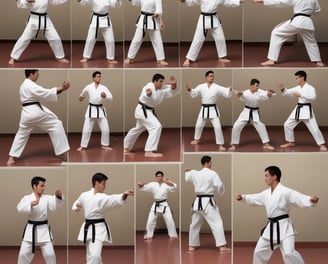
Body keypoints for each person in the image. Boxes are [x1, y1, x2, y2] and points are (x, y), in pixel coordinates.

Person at [236, 165, 319, 264]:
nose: (265, 178)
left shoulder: (286, 191)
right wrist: (244, 197)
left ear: (274, 177)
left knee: (289, 253)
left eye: (267, 176)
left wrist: (311, 200)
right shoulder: (266, 193)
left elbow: (299, 198)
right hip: (270, 228)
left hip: (284, 227)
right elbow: (255, 198)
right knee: (258, 252)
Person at [7, 69, 70, 166]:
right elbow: (45, 93)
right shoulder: (30, 84)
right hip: (35, 111)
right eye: (37, 73)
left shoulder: (23, 85)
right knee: (56, 124)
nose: (38, 75)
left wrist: (60, 89)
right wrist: (61, 88)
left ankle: (11, 158)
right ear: (31, 74)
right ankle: (63, 153)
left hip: (26, 114)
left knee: (21, 133)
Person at [72, 172, 134, 264]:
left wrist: (124, 195)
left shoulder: (103, 197)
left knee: (94, 255)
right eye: (103, 184)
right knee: (90, 254)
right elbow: (77, 202)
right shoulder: (84, 195)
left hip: (98, 228)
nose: (105, 186)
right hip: (87, 227)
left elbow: (113, 199)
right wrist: (76, 207)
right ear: (96, 183)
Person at [254, 0, 324, 67]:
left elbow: (281, 2)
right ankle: (318, 61)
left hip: (297, 21)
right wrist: (308, 10)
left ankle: (272, 60)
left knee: (276, 33)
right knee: (311, 42)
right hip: (308, 23)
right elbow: (317, 11)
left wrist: (264, 1)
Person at [124, 73, 180, 157]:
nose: (162, 83)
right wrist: (148, 94)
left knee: (138, 129)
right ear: (155, 81)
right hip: (143, 110)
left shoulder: (160, 90)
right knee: (156, 126)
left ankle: (126, 147)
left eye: (162, 81)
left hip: (147, 112)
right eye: (160, 81)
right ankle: (149, 151)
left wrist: (174, 85)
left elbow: (170, 91)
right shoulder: (149, 86)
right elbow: (146, 94)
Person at [185, 155, 230, 252]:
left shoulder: (194, 173)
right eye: (211, 162)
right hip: (208, 203)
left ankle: (192, 246)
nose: (211, 164)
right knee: (217, 223)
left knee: (194, 224)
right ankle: (222, 246)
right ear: (208, 163)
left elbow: (187, 178)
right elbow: (219, 187)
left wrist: (187, 171)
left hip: (197, 203)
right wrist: (221, 188)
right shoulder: (212, 173)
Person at [180, 0, 243, 66]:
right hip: (204, 19)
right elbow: (192, 1)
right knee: (197, 40)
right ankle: (189, 58)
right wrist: (184, 1)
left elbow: (226, 2)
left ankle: (222, 56)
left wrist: (238, 1)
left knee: (220, 38)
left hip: (214, 18)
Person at [17, 176, 64, 264]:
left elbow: (55, 206)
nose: (44, 188)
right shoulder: (27, 198)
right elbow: (19, 209)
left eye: (44, 186)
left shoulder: (47, 198)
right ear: (35, 186)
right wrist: (30, 204)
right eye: (41, 186)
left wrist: (58, 197)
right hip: (31, 230)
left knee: (50, 254)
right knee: (23, 254)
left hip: (44, 230)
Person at [8, 0, 69, 64]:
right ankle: (13, 57)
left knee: (55, 38)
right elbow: (21, 5)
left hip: (45, 19)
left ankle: (60, 57)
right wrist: (25, 0)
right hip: (33, 20)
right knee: (24, 39)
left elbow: (55, 1)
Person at [279, 70, 327, 151]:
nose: (296, 80)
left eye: (297, 78)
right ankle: (291, 142)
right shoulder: (297, 88)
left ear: (302, 77)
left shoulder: (310, 88)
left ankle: (321, 144)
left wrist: (301, 95)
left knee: (314, 128)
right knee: (287, 125)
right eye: (295, 78)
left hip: (307, 109)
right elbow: (288, 92)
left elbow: (313, 97)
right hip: (298, 108)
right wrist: (283, 89)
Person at [185, 70, 232, 151]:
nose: (212, 77)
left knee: (217, 127)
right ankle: (196, 139)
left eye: (213, 76)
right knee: (199, 125)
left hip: (213, 109)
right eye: (210, 76)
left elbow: (225, 92)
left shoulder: (217, 87)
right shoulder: (201, 86)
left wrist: (229, 89)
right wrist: (190, 90)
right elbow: (194, 93)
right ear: (206, 77)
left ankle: (220, 144)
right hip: (204, 109)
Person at [229, 78, 275, 151]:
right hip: (246, 112)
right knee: (236, 126)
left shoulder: (260, 92)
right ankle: (233, 144)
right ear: (252, 86)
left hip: (255, 112)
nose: (257, 87)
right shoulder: (246, 92)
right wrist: (234, 92)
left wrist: (270, 93)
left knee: (261, 126)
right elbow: (239, 94)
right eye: (256, 86)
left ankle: (266, 144)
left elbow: (268, 94)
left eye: (258, 86)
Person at [77, 71, 113, 152]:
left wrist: (105, 96)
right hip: (91, 109)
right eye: (97, 76)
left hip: (100, 109)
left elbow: (111, 97)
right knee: (86, 129)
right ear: (93, 78)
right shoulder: (88, 87)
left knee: (105, 129)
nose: (99, 78)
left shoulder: (104, 87)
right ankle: (83, 146)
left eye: (100, 76)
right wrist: (81, 98)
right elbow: (82, 94)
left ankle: (105, 145)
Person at [124, 0, 168, 65]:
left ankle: (160, 59)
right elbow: (136, 2)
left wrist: (159, 16)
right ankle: (130, 57)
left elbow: (159, 8)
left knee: (158, 41)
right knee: (136, 40)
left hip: (153, 19)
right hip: (143, 20)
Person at [137, 171, 178, 240]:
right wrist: (140, 184)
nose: (159, 177)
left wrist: (167, 181)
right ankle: (148, 236)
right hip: (156, 205)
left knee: (170, 221)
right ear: (156, 177)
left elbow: (174, 187)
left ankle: (173, 235)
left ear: (162, 177)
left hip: (164, 205)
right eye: (158, 176)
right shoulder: (153, 184)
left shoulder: (166, 184)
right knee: (150, 221)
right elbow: (143, 187)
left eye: (161, 176)